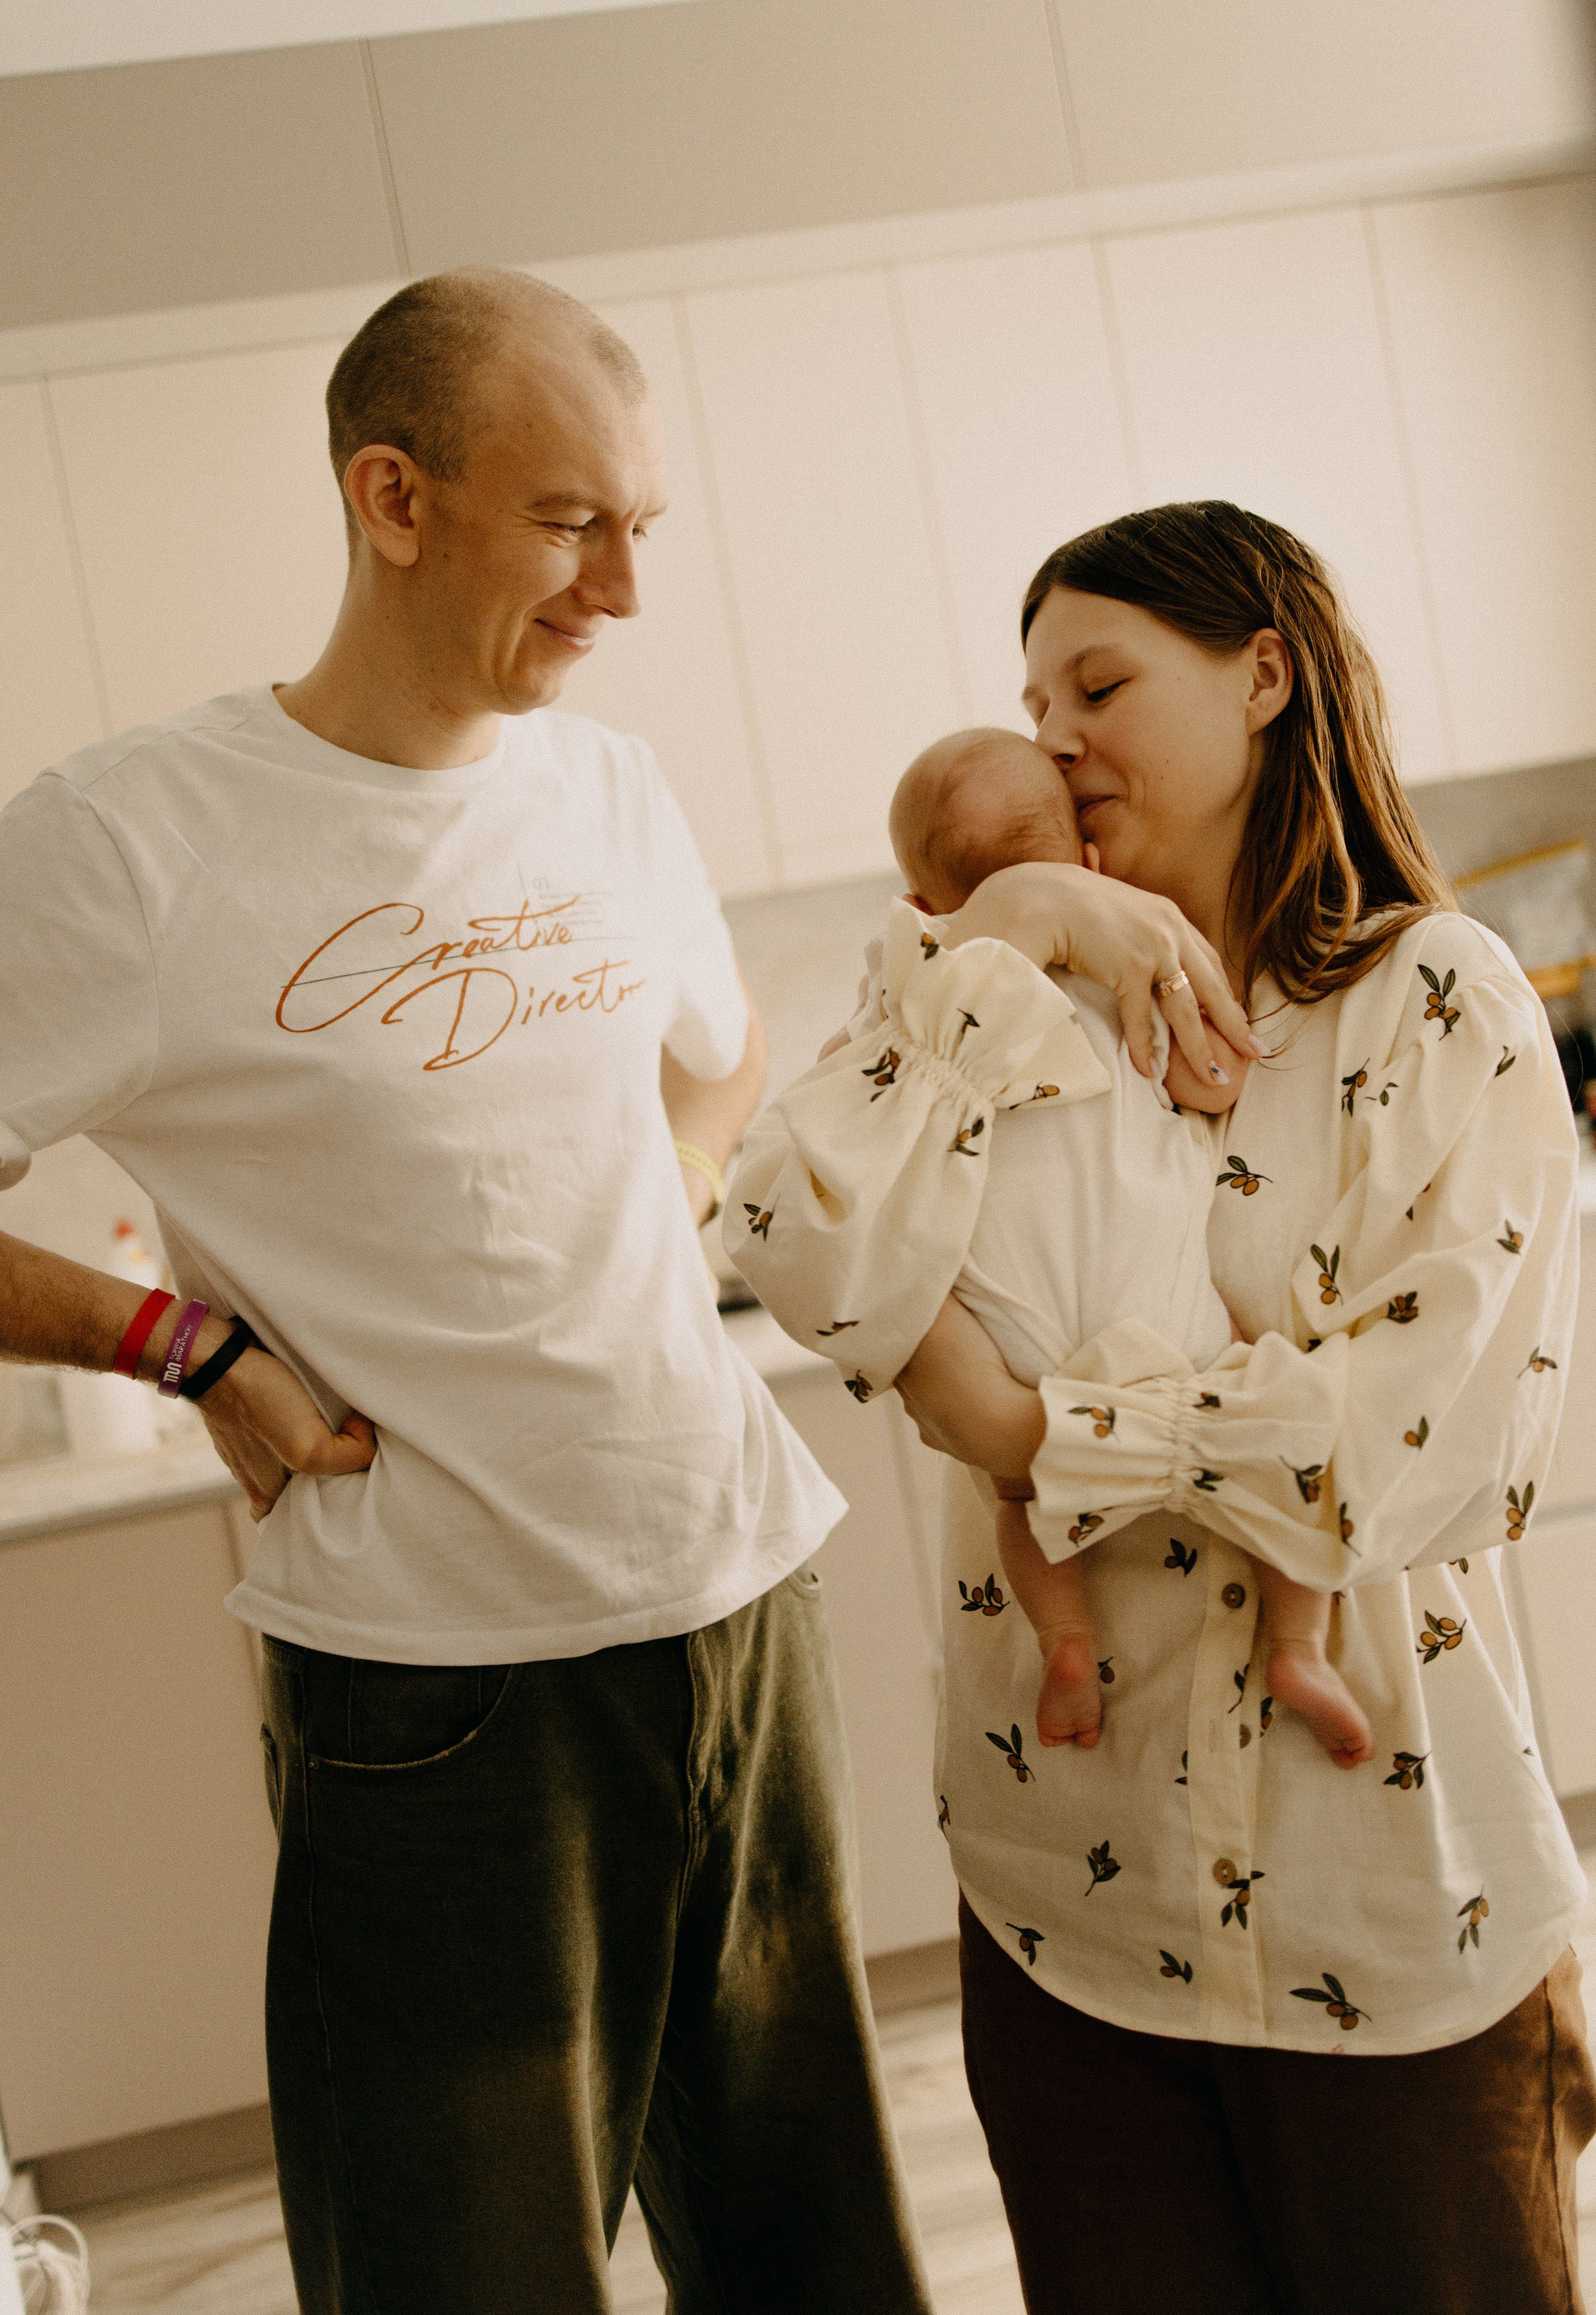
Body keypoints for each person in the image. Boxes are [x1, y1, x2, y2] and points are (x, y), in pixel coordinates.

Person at [0, 268, 933, 2313]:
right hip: (440, 1685)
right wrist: (180, 1347)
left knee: (821, 2262)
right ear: (393, 497)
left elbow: (717, 1055)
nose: (623, 590)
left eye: (641, 526)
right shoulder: (131, 844)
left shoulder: (607, 788)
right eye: (571, 522)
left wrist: (665, 1194)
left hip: (738, 1602)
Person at [732, 502, 1593, 2313]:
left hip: (1387, 1910)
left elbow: (1406, 1463)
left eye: (1099, 686)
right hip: (1068, 1906)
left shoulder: (1435, 1005)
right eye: (1031, 704)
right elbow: (788, 1243)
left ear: (1264, 677)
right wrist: (1005, 932)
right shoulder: (982, 987)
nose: (1054, 738)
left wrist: (1040, 1436)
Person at [741, 723, 1374, 1766]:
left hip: (1015, 1342)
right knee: (1274, 1433)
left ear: (920, 906)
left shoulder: (910, 1002)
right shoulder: (1124, 965)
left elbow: (846, 1106)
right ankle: (1299, 1647)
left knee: (1019, 1492)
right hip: (1165, 1316)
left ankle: (1068, 1644)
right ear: (1087, 864)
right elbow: (1213, 1080)